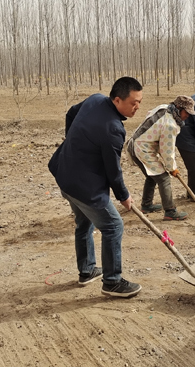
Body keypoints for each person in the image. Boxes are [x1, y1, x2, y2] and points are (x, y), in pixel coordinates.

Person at [48, 77, 143, 298]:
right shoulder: (113, 128)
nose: (137, 107)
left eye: (140, 102)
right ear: (117, 100)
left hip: (65, 173)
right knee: (113, 226)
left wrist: (73, 142)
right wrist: (124, 196)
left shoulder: (95, 99)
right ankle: (112, 282)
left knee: (84, 223)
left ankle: (87, 270)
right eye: (133, 103)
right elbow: (113, 171)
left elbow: (71, 113)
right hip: (83, 185)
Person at [127, 96, 195, 221]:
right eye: (187, 112)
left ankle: (146, 205)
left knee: (152, 175)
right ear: (179, 108)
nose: (188, 116)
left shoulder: (164, 108)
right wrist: (172, 168)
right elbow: (167, 151)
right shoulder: (170, 125)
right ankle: (170, 211)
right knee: (163, 178)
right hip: (141, 150)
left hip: (136, 144)